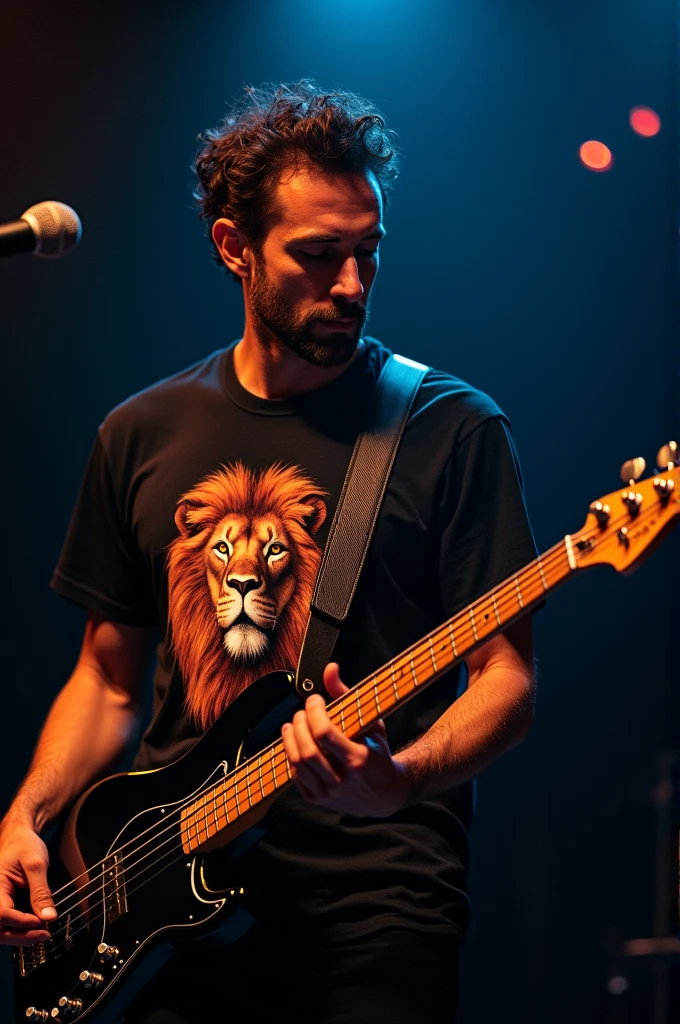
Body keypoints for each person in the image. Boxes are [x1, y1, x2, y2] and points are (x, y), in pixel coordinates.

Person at [0, 81, 537, 1023]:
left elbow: (506, 678)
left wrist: (398, 778)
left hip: (377, 903)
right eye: (318, 256)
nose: (352, 285)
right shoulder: (141, 432)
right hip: (162, 906)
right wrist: (31, 811)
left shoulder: (451, 428)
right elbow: (110, 680)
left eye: (369, 252)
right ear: (233, 248)